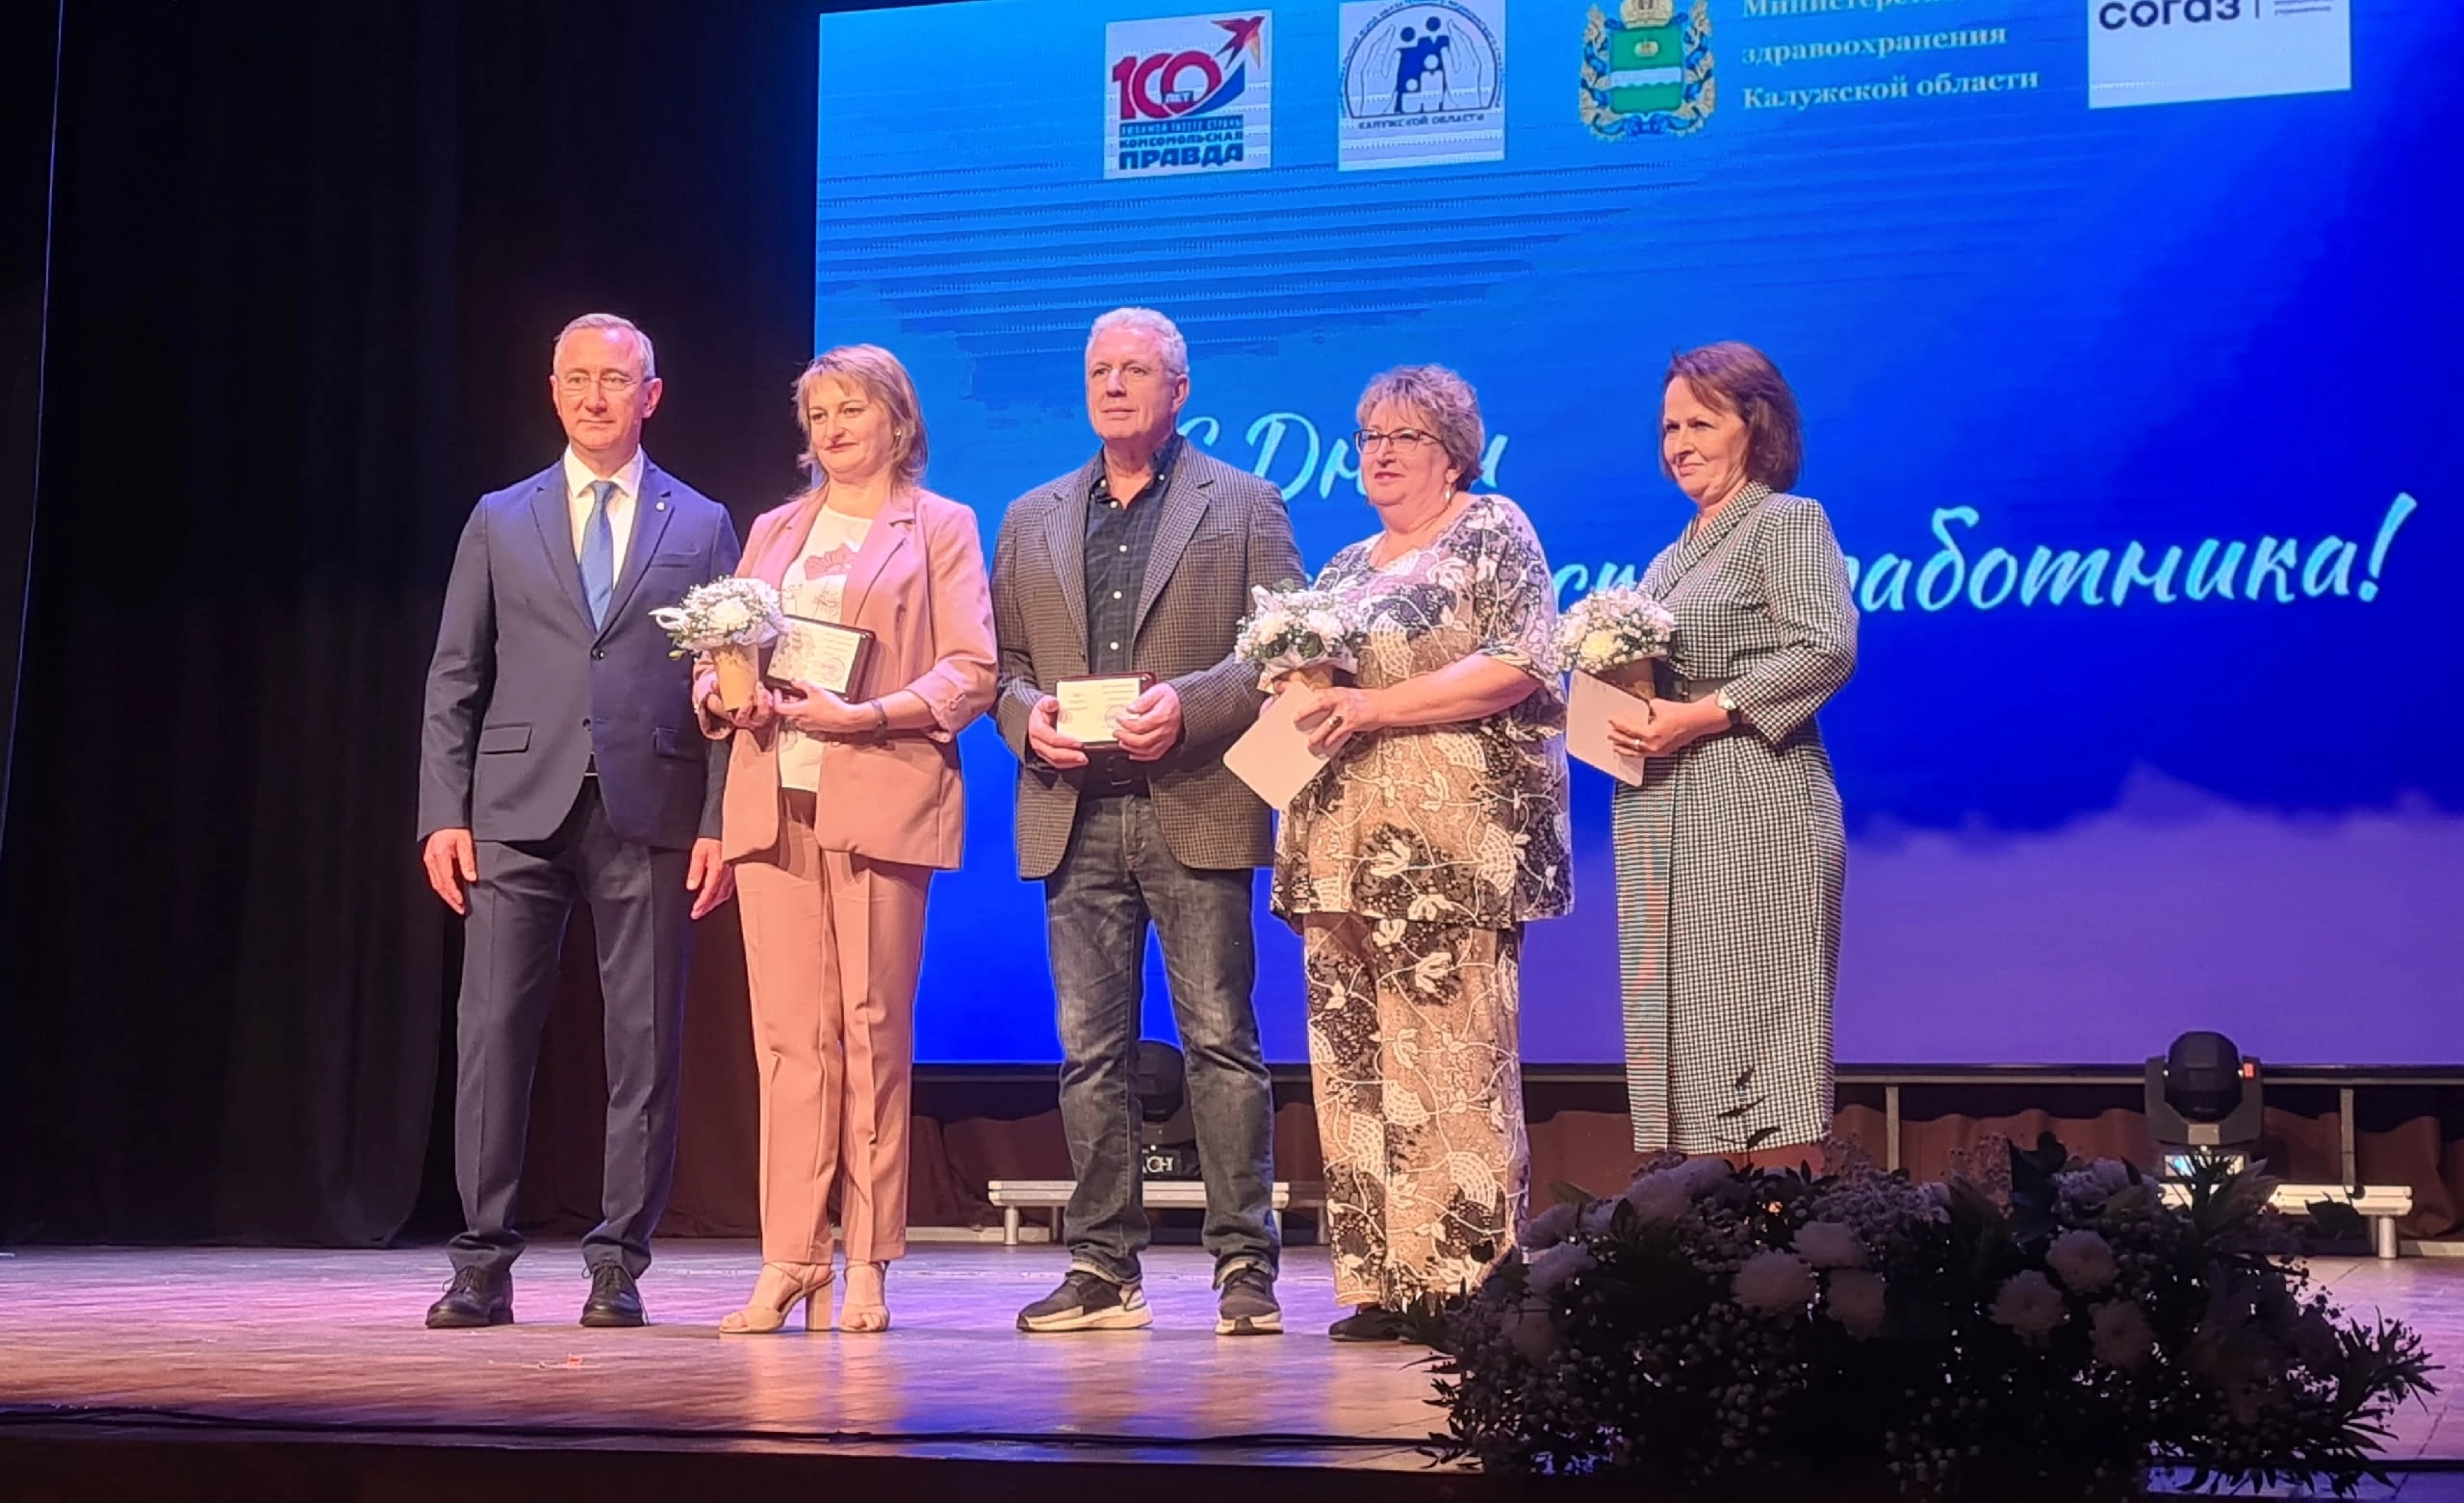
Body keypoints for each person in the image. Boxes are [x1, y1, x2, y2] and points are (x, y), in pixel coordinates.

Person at [417, 313, 741, 1329]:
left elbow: (731, 682)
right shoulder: (499, 517)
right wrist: (442, 811)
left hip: (652, 805)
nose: (596, 396)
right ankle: (481, 1260)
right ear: (553, 391)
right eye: (578, 378)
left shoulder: (702, 523)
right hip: (514, 809)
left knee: (644, 1042)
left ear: (652, 395)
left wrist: (720, 819)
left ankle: (617, 1262)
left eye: (616, 379)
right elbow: (455, 676)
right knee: (491, 1034)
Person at [990, 307, 1303, 1336]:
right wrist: (1027, 718)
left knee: (1219, 1039)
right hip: (1074, 809)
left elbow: (1282, 647)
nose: (1114, 385)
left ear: (1179, 389)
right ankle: (1102, 1268)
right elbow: (1001, 666)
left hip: (1195, 801)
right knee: (1090, 1051)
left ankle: (1244, 1265)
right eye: (1099, 370)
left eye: (1135, 369)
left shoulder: (1243, 501)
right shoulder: (1031, 514)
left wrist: (1193, 705)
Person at [693, 345, 995, 1335]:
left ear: (898, 422)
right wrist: (722, 694)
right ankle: (789, 1256)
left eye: (851, 410)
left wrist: (865, 716)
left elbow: (970, 671)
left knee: (870, 1032)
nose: (831, 429)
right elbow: (722, 650)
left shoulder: (939, 524)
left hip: (879, 792)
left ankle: (867, 1258)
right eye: (818, 414)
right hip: (772, 797)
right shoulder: (775, 528)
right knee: (788, 1041)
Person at [1272, 365, 1570, 1342]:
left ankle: (1467, 1280)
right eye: (1370, 436)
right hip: (1338, 848)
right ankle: (1380, 1280)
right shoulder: (1342, 566)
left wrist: (1374, 705)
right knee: (1352, 1063)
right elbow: (1310, 693)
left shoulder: (1492, 529)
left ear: (1454, 453)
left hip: (1450, 848)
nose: (1382, 453)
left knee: (1453, 1061)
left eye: (1405, 435)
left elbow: (1517, 662)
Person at [1604, 342, 1857, 1167]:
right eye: (1669, 427)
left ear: (1757, 425)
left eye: (1700, 424)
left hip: (1755, 803)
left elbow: (1825, 646)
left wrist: (1705, 713)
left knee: (1760, 1040)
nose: (1679, 443)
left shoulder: (1786, 522)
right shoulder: (1667, 560)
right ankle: (1710, 1234)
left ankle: (1788, 1228)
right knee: (1686, 1039)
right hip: (1664, 812)